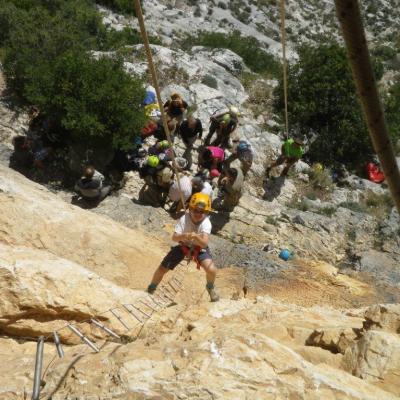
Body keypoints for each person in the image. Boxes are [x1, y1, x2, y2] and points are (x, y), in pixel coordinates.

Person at [147, 193, 219, 302]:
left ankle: (210, 287)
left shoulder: (206, 223)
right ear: (191, 208)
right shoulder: (184, 219)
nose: (198, 214)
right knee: (162, 268)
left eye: (202, 212)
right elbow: (174, 238)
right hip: (183, 245)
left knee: (212, 270)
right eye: (195, 210)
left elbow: (204, 243)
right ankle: (151, 288)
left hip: (198, 248)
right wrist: (184, 236)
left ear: (206, 212)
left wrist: (196, 237)